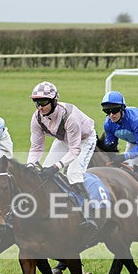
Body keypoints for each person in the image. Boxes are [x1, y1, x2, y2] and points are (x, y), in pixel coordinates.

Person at [26, 81, 98, 230]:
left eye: (44, 102)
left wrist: (57, 166)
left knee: (73, 173)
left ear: (54, 101)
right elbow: (36, 147)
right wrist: (30, 165)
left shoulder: (69, 116)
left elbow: (74, 150)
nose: (40, 107)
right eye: (36, 103)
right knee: (43, 172)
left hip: (84, 140)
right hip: (63, 140)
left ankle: (89, 215)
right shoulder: (37, 118)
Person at [101, 90, 138, 172]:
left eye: (114, 111)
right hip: (135, 142)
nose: (111, 115)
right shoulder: (108, 124)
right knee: (126, 170)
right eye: (107, 111)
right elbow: (111, 145)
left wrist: (124, 156)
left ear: (122, 109)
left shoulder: (135, 120)